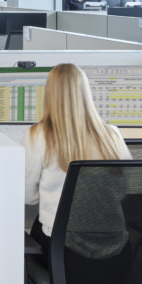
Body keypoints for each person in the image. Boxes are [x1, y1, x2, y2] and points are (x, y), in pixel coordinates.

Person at [24, 63, 132, 267]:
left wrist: (51, 197)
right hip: (117, 261)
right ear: (85, 92)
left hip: (65, 260)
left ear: (49, 93)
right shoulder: (112, 134)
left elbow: (27, 196)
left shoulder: (37, 135)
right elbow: (125, 189)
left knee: (40, 223)